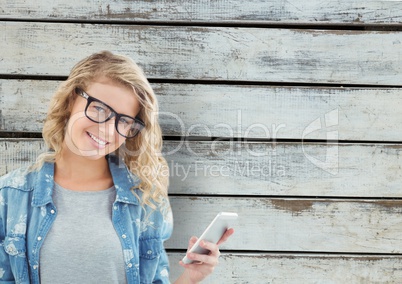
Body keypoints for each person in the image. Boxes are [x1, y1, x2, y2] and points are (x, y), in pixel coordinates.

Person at [0, 51, 234, 283]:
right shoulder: (10, 196)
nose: (108, 130)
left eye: (123, 121)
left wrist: (191, 277)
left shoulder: (146, 199)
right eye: (99, 108)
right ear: (71, 99)